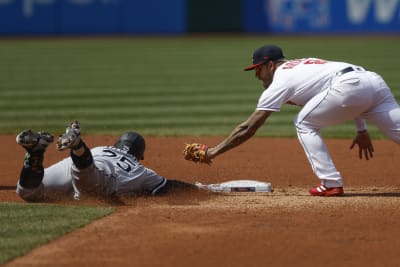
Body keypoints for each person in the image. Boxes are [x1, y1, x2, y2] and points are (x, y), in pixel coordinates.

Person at [190, 44, 400, 196]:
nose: (257, 75)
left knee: (304, 123)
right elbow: (355, 91)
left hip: (348, 85)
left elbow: (249, 128)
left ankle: (331, 182)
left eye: (258, 69)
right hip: (373, 81)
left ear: (270, 65)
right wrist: (362, 130)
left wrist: (212, 152)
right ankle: (330, 182)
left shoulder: (281, 79)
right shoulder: (301, 67)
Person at [16, 121, 195, 202]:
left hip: (82, 161)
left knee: (27, 191)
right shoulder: (141, 170)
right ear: (139, 155)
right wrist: (197, 188)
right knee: (87, 185)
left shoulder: (102, 147)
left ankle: (36, 152)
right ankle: (78, 145)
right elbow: (167, 186)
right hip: (96, 176)